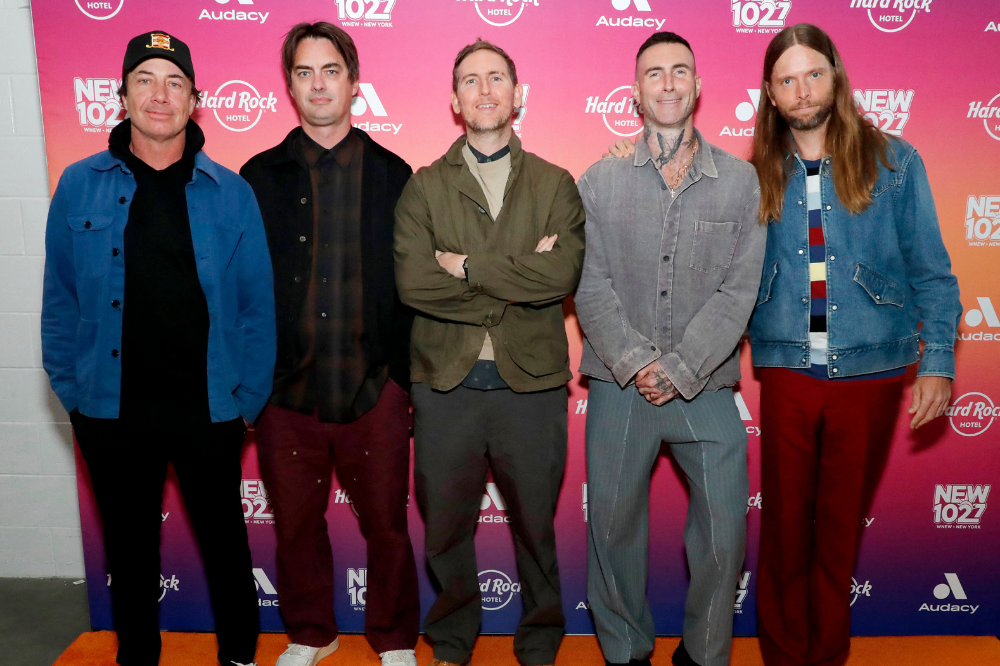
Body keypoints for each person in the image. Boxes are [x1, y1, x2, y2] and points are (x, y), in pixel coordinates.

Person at [41, 30, 275, 666]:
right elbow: (60, 302)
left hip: (209, 407)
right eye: (145, 79)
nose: (160, 94)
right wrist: (73, 394)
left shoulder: (232, 192)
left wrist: (247, 401)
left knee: (228, 551)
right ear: (121, 96)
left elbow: (257, 308)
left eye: (174, 82)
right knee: (130, 555)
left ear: (195, 99)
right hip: (111, 411)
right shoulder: (78, 185)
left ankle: (239, 658)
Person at [747, 24, 961, 666]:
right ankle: (785, 655)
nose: (802, 89)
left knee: (839, 532)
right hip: (787, 369)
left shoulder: (895, 160)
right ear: (770, 93)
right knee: (786, 529)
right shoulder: (751, 173)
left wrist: (940, 363)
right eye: (787, 79)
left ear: (836, 77)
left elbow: (933, 271)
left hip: (872, 373)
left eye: (813, 73)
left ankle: (827, 654)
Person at [393, 39, 585, 666]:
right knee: (446, 530)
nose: (484, 90)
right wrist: (514, 280)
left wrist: (468, 266)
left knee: (536, 528)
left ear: (517, 94)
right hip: (444, 385)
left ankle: (540, 640)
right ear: (454, 100)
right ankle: (450, 639)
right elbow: (416, 284)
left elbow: (560, 277)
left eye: (496, 78)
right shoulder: (423, 187)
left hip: (530, 386)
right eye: (470, 81)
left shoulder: (555, 183)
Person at [578, 32, 766, 666]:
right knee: (611, 528)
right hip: (616, 381)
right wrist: (636, 363)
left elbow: (741, 288)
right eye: (653, 73)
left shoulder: (742, 183)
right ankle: (626, 650)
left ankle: (705, 653)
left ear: (697, 86)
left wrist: (681, 367)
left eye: (679, 70)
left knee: (723, 535)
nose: (666, 82)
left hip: (705, 384)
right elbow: (588, 282)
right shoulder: (598, 181)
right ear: (634, 92)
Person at [240, 22, 419, 666]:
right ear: (289, 85)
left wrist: (402, 379)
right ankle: (311, 633)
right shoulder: (258, 177)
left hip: (375, 385)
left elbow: (414, 289)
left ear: (353, 80)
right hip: (286, 388)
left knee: (388, 530)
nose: (319, 84)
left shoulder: (396, 175)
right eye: (304, 72)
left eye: (331, 70)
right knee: (294, 527)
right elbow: (242, 289)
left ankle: (395, 639)